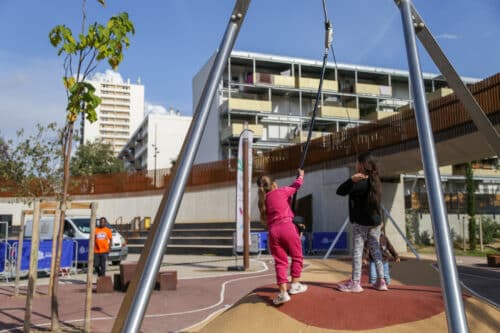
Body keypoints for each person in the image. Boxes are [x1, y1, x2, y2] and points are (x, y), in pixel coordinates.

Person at [336, 152, 388, 292]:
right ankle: (381, 281)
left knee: (358, 251)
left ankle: (355, 283)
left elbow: (340, 191)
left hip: (361, 222)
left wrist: (351, 180)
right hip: (375, 222)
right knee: (375, 249)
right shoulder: (376, 180)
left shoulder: (359, 183)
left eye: (357, 162)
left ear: (362, 165)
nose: (355, 164)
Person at [257, 169, 308, 305]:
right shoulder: (281, 191)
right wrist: (301, 176)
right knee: (297, 256)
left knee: (280, 262)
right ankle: (295, 284)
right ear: (274, 185)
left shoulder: (263, 201)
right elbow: (296, 186)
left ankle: (283, 292)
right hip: (288, 227)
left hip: (273, 232)